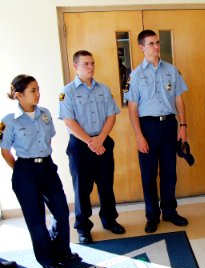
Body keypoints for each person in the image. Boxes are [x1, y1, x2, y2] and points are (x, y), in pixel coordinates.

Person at [0, 75, 80, 268]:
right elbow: (5, 150)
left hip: (47, 167)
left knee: (61, 211)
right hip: (25, 171)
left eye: (38, 89)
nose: (38, 94)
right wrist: (20, 171)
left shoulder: (44, 114)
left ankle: (62, 250)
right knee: (35, 219)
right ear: (19, 95)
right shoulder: (8, 121)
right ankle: (46, 258)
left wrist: (42, 162)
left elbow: (48, 140)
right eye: (32, 91)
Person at [124, 30, 189, 234]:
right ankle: (152, 216)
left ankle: (169, 211)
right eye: (151, 43)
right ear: (141, 47)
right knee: (149, 175)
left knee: (170, 172)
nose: (156, 46)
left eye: (157, 42)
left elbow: (179, 100)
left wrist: (183, 126)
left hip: (169, 125)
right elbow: (132, 108)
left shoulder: (171, 70)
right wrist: (139, 136)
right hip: (148, 128)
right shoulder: (135, 75)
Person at [59, 50, 125, 244]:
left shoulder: (103, 89)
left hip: (103, 143)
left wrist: (101, 138)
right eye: (86, 64)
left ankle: (110, 220)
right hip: (80, 146)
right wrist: (90, 141)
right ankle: (83, 228)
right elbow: (69, 121)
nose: (90, 67)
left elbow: (111, 115)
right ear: (75, 66)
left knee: (106, 186)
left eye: (92, 63)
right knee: (82, 189)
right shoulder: (67, 92)